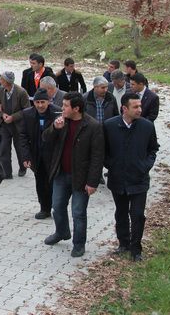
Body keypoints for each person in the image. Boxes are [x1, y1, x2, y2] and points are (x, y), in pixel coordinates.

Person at [42, 92, 104, 258]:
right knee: (57, 207)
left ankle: (78, 244)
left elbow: (97, 157)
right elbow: (45, 139)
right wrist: (55, 128)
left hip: (81, 177)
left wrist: (93, 182)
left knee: (78, 212)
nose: (62, 108)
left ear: (76, 108)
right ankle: (61, 232)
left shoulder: (93, 126)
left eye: (65, 106)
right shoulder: (62, 122)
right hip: (61, 174)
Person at [104, 92, 159, 261]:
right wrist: (111, 165)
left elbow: (153, 149)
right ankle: (123, 243)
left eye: (140, 106)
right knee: (120, 213)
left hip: (139, 180)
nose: (139, 109)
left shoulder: (147, 126)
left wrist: (144, 166)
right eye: (135, 107)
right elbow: (103, 150)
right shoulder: (109, 126)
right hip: (118, 179)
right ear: (124, 109)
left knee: (137, 215)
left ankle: (136, 250)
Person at [20, 89, 61, 219]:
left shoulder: (57, 112)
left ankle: (58, 207)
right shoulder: (27, 114)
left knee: (55, 183)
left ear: (48, 102)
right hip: (37, 154)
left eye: (43, 102)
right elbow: (23, 136)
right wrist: (26, 156)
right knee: (40, 182)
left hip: (54, 155)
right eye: (37, 102)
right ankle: (44, 208)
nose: (40, 105)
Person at [0, 71, 30, 179]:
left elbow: (27, 110)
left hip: (18, 125)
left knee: (19, 148)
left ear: (7, 82)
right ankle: (7, 172)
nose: (0, 81)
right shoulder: (1, 89)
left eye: (2, 80)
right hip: (4, 124)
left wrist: (13, 117)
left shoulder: (21, 92)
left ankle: (22, 168)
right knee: (4, 147)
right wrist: (1, 113)